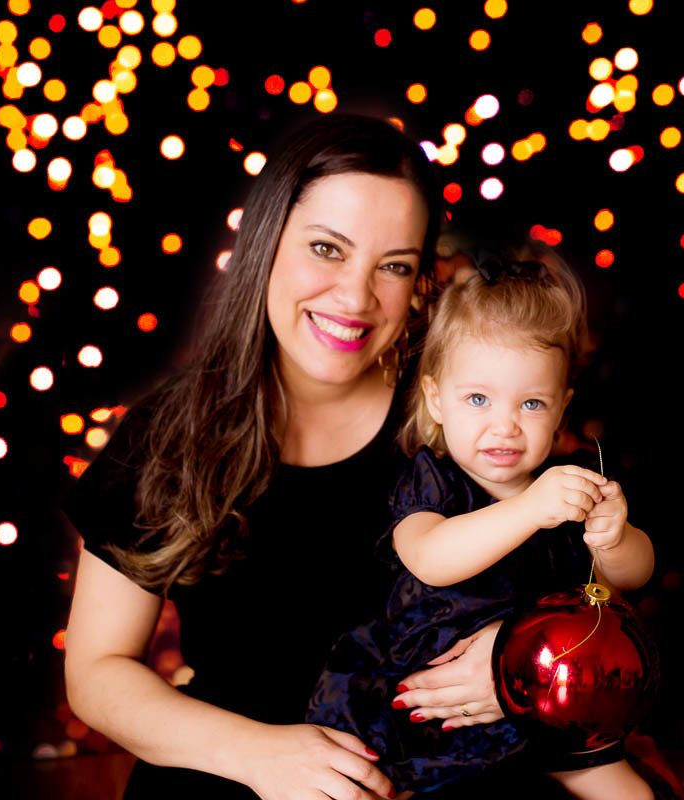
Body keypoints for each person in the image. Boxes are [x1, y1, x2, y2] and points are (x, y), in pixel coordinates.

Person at [61, 114, 538, 800]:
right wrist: (262, 757)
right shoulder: (167, 436)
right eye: (326, 248)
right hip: (229, 774)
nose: (354, 297)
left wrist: (524, 652)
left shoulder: (468, 418)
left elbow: (590, 586)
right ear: (267, 246)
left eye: (394, 266)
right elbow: (98, 670)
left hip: (452, 775)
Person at [307, 245, 658, 799]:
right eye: (478, 398)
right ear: (436, 399)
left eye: (531, 405)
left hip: (542, 698)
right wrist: (526, 509)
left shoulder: (566, 488)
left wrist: (616, 536)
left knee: (627, 790)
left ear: (561, 408)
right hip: (436, 705)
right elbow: (431, 559)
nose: (505, 426)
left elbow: (629, 581)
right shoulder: (433, 482)